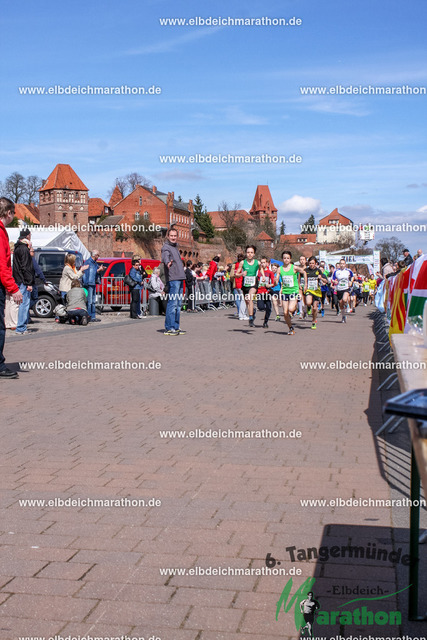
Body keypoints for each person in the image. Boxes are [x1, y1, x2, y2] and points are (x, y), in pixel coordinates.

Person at [0, 198, 23, 377]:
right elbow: (2, 264)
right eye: (13, 213)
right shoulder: (0, 233)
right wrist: (13, 288)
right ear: (9, 213)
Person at [161, 227, 186, 335]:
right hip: (173, 278)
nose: (173, 238)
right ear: (168, 236)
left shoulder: (175, 247)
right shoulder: (166, 247)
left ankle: (176, 326)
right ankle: (169, 327)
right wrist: (167, 263)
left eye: (175, 236)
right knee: (173, 303)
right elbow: (165, 257)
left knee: (178, 304)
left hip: (180, 277)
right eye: (171, 236)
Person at [275, 250, 307, 335]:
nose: (286, 260)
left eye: (288, 258)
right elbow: (277, 279)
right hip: (285, 292)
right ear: (282, 259)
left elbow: (304, 271)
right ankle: (290, 328)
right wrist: (275, 280)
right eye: (284, 258)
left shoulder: (294, 268)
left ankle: (295, 308)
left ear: (290, 259)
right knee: (285, 313)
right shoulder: (280, 269)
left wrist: (306, 284)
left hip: (294, 291)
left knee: (290, 309)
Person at [234, 245, 265, 327]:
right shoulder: (242, 262)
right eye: (248, 252)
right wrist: (241, 274)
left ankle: (250, 318)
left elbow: (261, 268)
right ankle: (252, 312)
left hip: (253, 284)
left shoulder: (257, 262)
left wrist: (263, 276)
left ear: (254, 254)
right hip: (245, 285)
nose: (250, 254)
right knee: (247, 301)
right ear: (246, 253)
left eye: (251, 252)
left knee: (249, 298)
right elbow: (236, 274)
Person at [12, 228, 34, 335]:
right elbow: (25, 267)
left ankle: (21, 326)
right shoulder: (24, 249)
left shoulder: (17, 248)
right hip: (23, 281)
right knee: (24, 304)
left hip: (18, 278)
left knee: (21, 304)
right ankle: (21, 327)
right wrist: (28, 282)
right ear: (28, 236)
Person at [304, 256, 328, 329]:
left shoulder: (318, 271)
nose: (311, 265)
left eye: (313, 263)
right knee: (308, 302)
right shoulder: (306, 270)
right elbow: (302, 279)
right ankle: (308, 307)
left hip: (316, 291)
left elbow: (326, 281)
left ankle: (314, 321)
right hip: (309, 290)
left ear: (315, 263)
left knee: (315, 308)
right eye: (310, 263)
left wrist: (321, 278)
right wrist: (303, 286)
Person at [82, 250, 105, 323]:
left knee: (93, 301)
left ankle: (93, 316)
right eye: (98, 255)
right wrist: (98, 270)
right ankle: (89, 316)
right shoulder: (88, 262)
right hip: (89, 283)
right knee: (90, 301)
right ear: (95, 255)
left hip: (93, 283)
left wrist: (100, 269)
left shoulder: (94, 263)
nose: (98, 257)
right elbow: (89, 273)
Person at [331, 258, 355, 323]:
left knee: (344, 299)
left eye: (343, 264)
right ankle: (343, 316)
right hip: (339, 289)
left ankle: (347, 305)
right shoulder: (336, 271)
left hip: (346, 288)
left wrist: (351, 281)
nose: (342, 265)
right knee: (340, 304)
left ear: (345, 264)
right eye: (341, 264)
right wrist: (334, 282)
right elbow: (332, 279)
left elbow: (352, 276)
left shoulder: (348, 271)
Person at [256, 257, 274, 328]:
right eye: (261, 262)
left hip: (267, 292)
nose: (262, 264)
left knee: (269, 308)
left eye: (264, 262)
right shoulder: (258, 272)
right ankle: (254, 311)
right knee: (261, 307)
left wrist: (269, 285)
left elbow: (273, 283)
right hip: (259, 292)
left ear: (267, 263)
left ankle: (265, 322)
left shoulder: (270, 273)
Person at [5, 241, 19, 330]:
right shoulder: (12, 258)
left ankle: (7, 322)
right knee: (14, 302)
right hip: (12, 281)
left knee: (7, 303)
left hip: (5, 281)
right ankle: (14, 322)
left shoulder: (6, 257)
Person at [231, 252, 248, 321]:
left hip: (236, 284)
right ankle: (242, 314)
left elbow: (232, 275)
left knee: (239, 300)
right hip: (241, 284)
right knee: (243, 300)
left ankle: (241, 313)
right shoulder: (243, 265)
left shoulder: (235, 265)